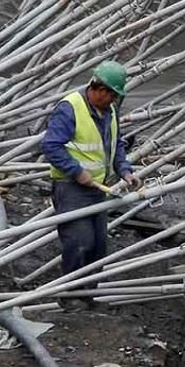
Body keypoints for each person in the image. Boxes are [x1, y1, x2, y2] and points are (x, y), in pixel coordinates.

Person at [41, 61, 137, 277]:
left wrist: (125, 171)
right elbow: (50, 146)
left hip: (97, 189)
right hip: (71, 189)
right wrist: (76, 171)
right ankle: (71, 291)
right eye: (113, 95)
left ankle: (89, 290)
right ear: (100, 89)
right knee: (80, 242)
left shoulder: (110, 111)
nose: (114, 100)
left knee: (98, 249)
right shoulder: (70, 108)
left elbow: (116, 145)